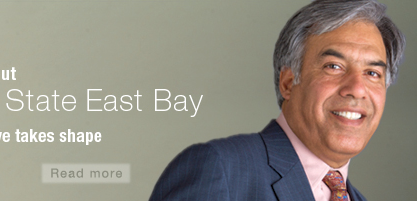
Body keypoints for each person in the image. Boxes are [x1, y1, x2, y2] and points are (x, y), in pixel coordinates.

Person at [149, 0, 405, 200]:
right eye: (334, 66)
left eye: (373, 73)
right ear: (287, 83)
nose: (357, 89)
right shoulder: (221, 169)